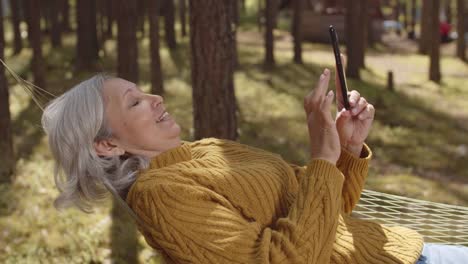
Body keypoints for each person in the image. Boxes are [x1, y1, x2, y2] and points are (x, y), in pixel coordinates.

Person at [41, 68, 467, 263]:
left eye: (144, 91)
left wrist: (346, 152)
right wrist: (321, 157)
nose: (156, 98)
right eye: (134, 101)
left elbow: (326, 217)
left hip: (398, 248)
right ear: (107, 144)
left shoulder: (205, 149)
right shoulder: (162, 198)